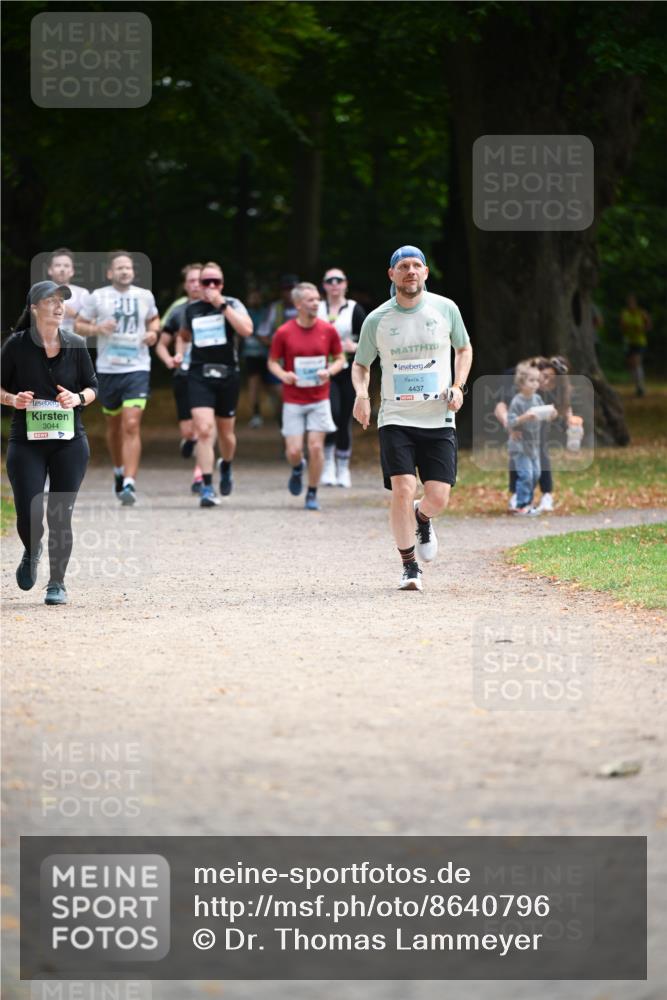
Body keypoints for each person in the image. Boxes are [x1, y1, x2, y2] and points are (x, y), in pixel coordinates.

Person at [352, 246, 472, 591]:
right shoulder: (377, 319)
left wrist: (459, 386)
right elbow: (361, 365)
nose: (410, 271)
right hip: (396, 418)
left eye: (416, 265)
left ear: (426, 272)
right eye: (402, 266)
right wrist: (362, 395)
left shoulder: (445, 309)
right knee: (403, 488)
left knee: (438, 497)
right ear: (392, 275)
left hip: (438, 419)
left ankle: (423, 518)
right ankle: (409, 566)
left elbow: (463, 348)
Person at [1, 281, 98, 606]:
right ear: (34, 308)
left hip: (68, 442)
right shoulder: (15, 346)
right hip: (26, 442)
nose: (59, 306)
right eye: (51, 301)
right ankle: (32, 550)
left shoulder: (75, 343)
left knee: (60, 514)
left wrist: (77, 397)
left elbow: (93, 387)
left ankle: (57, 582)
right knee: (30, 513)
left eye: (62, 301)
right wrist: (13, 399)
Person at [75, 251, 159, 505]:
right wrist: (98, 329)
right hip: (109, 369)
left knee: (131, 424)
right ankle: (119, 470)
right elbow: (79, 325)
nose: (125, 271)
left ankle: (130, 483)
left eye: (128, 268)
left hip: (137, 367)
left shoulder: (145, 296)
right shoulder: (98, 296)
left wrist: (153, 334)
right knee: (114, 427)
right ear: (110, 273)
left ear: (133, 272)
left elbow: (154, 320)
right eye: (120, 268)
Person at [176, 261, 253, 507]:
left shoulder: (233, 303)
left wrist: (223, 306)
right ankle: (207, 487)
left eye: (214, 282)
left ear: (221, 284)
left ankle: (226, 464)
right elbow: (184, 334)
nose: (209, 286)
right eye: (205, 282)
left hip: (228, 375)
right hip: (199, 375)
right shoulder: (191, 309)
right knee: (205, 430)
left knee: (226, 434)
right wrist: (180, 354)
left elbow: (247, 330)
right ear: (198, 284)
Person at [267, 282, 345, 511]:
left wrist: (329, 371)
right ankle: (297, 466)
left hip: (320, 398)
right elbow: (272, 362)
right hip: (293, 399)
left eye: (317, 300)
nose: (316, 303)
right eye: (311, 300)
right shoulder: (284, 332)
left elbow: (340, 358)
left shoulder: (328, 330)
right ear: (298, 304)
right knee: (293, 450)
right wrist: (284, 375)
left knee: (316, 447)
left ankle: (312, 492)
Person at [495, 355, 572, 512]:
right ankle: (519, 499)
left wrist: (562, 417)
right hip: (519, 428)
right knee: (522, 465)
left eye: (552, 381)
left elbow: (563, 407)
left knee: (537, 461)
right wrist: (510, 427)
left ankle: (543, 495)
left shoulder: (546, 391)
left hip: (536, 427)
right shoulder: (517, 380)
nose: (545, 382)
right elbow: (501, 407)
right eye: (544, 377)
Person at [155, 262, 204, 493]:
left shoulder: (217, 307)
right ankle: (190, 441)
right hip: (183, 374)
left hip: (207, 375)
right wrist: (168, 360)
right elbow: (161, 344)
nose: (196, 285)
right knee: (189, 430)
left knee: (205, 426)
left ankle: (200, 475)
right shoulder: (178, 310)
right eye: (191, 281)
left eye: (200, 280)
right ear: (185, 285)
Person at [317, 267, 367, 487]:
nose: (335, 284)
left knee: (344, 417)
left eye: (339, 280)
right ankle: (327, 464)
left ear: (345, 284)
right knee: (330, 414)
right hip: (323, 371)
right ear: (324, 285)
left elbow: (369, 341)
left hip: (348, 370)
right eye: (330, 280)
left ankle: (343, 467)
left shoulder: (355, 309)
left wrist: (353, 346)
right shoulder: (316, 308)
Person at [507, 362, 556, 515]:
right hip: (520, 446)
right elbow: (511, 421)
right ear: (522, 383)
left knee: (536, 474)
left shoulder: (537, 399)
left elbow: (543, 416)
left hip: (534, 445)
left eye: (537, 380)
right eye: (532, 380)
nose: (536, 384)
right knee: (526, 474)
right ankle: (521, 504)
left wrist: (551, 414)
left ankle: (528, 503)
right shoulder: (517, 401)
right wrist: (525, 417)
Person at [257, 274, 299, 422]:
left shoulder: (307, 307)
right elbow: (262, 334)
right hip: (279, 361)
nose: (289, 293)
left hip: (303, 361)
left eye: (292, 289)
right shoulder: (275, 308)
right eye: (286, 289)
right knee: (281, 397)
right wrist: (278, 345)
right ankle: (285, 426)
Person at [242, 288, 270, 428]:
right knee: (253, 386)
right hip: (251, 355)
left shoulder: (267, 312)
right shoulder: (243, 313)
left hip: (267, 354)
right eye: (252, 297)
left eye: (257, 297)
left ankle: (277, 411)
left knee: (271, 386)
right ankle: (256, 415)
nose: (254, 300)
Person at [46, 248, 89, 334]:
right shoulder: (40, 293)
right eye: (58, 265)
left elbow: (94, 324)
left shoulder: (83, 293)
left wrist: (75, 314)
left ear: (72, 271)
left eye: (66, 266)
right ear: (50, 270)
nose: (62, 269)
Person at [620, 293, 651, 397]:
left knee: (636, 362)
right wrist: (627, 328)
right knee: (632, 365)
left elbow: (648, 325)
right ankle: (638, 386)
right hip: (629, 342)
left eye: (632, 303)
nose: (630, 305)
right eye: (629, 303)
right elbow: (622, 327)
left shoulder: (641, 313)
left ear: (635, 303)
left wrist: (641, 329)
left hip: (640, 342)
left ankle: (641, 387)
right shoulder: (625, 314)